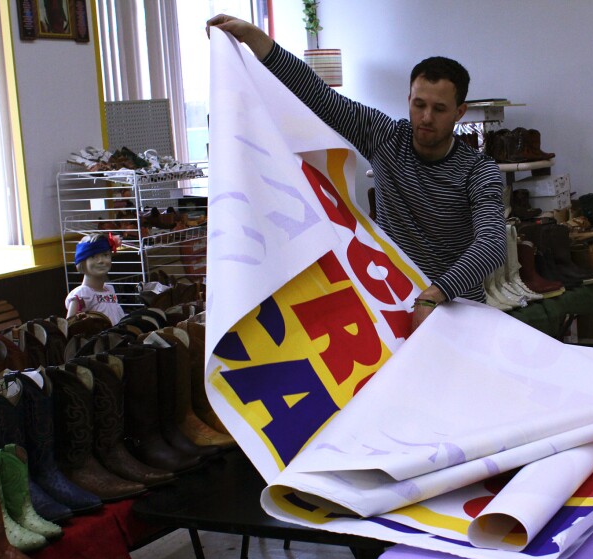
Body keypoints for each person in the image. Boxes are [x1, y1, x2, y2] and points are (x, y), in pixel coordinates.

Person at [206, 15, 507, 331]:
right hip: (395, 304)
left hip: (460, 309)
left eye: (439, 109)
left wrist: (437, 292)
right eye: (419, 104)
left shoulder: (478, 170)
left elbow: (492, 244)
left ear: (460, 112)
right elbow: (318, 95)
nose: (426, 117)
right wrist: (254, 37)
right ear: (408, 100)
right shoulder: (385, 137)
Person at [64, 233, 126, 325]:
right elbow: (69, 326)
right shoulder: (82, 294)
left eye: (105, 255)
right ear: (83, 262)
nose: (101, 261)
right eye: (93, 257)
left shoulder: (109, 290)